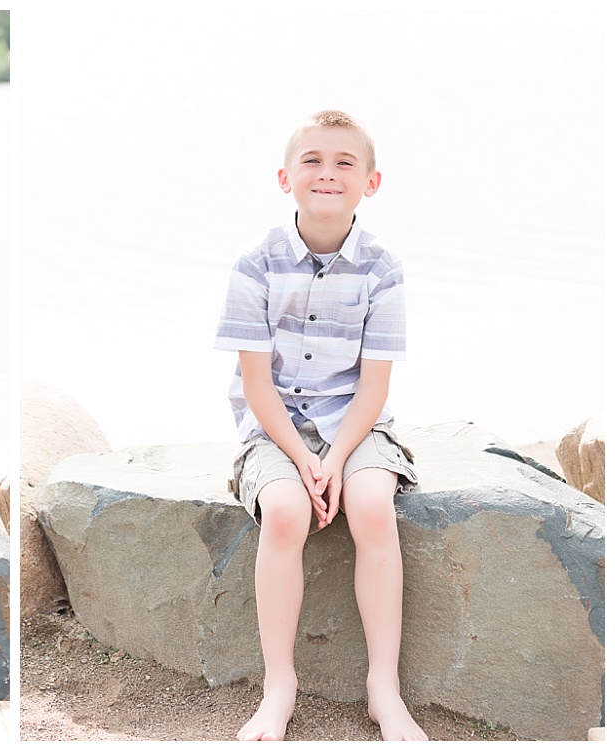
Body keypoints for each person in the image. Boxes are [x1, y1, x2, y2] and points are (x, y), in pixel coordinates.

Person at [213, 110, 426, 741]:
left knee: (370, 507)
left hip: (356, 426)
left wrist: (333, 460)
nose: (327, 174)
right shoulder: (256, 265)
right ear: (285, 178)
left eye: (344, 163)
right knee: (283, 513)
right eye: (312, 161)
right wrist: (302, 461)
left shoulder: (383, 268)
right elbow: (256, 385)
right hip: (274, 425)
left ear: (372, 181)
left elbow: (375, 386)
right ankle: (280, 685)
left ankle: (382, 687)